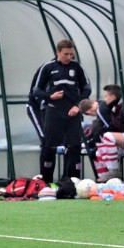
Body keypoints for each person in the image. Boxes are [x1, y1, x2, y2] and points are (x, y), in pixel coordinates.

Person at [32, 39, 91, 183]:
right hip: (53, 111)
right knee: (49, 147)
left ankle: (71, 182)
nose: (69, 57)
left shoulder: (77, 68)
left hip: (73, 112)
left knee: (74, 146)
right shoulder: (47, 67)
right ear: (58, 52)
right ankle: (46, 183)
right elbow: (36, 90)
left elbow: (87, 89)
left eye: (71, 54)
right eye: (66, 54)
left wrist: (78, 105)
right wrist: (49, 96)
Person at [79, 84, 124, 182]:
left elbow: (111, 129)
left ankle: (113, 173)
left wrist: (93, 142)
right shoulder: (109, 106)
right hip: (121, 139)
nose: (104, 99)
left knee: (105, 140)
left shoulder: (102, 109)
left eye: (106, 96)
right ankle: (107, 179)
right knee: (98, 151)